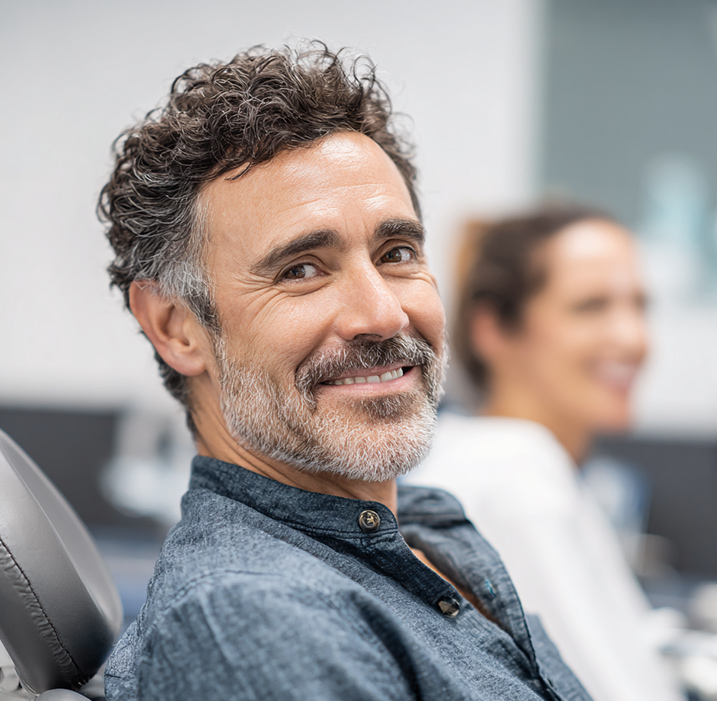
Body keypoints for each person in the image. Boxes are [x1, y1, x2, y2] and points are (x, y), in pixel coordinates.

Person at [99, 45, 591, 701]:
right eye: (301, 269)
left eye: (396, 253)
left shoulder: (422, 530)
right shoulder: (255, 623)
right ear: (175, 326)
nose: (385, 315)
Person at [410, 204, 685, 701]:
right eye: (591, 307)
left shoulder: (466, 450)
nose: (633, 338)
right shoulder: (514, 471)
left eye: (639, 306)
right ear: (492, 327)